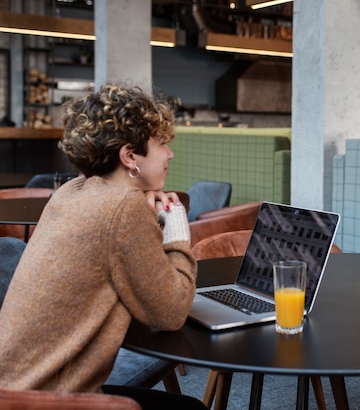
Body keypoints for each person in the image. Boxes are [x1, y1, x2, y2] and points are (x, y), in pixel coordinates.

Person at [0, 84, 206, 410]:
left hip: (12, 392)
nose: (170, 153)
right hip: (51, 402)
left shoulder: (73, 191)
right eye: (161, 143)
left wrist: (145, 225)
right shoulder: (122, 208)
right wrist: (177, 231)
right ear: (129, 156)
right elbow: (171, 312)